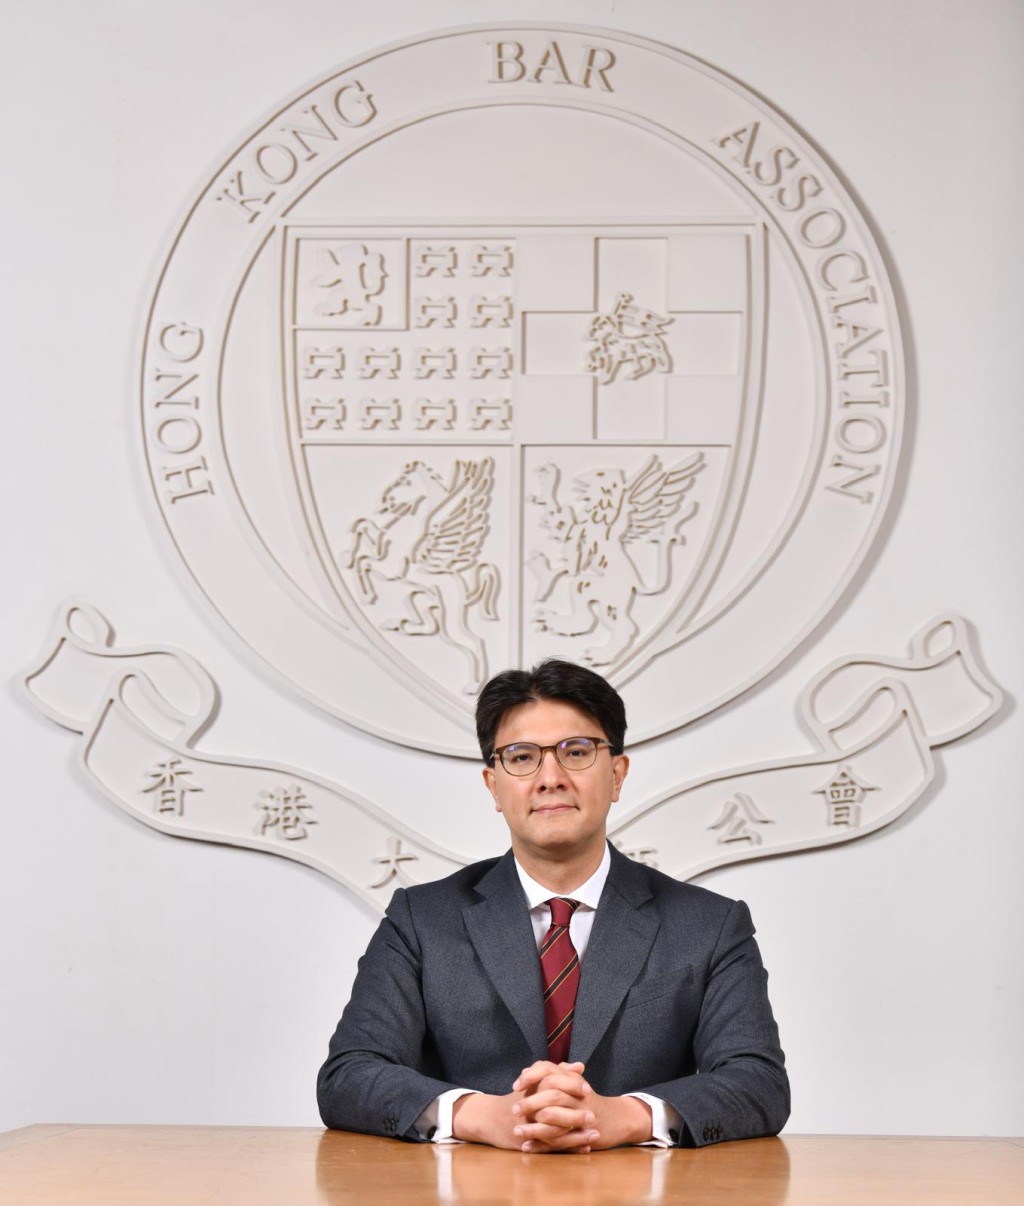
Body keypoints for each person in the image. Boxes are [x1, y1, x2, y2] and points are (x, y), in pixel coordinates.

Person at [317, 660, 789, 1151]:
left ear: (617, 775)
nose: (550, 778)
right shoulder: (421, 920)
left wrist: (627, 1117)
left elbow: (760, 1083)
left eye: (576, 752)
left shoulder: (710, 925)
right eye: (522, 757)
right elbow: (348, 1075)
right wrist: (482, 1116)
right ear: (493, 785)